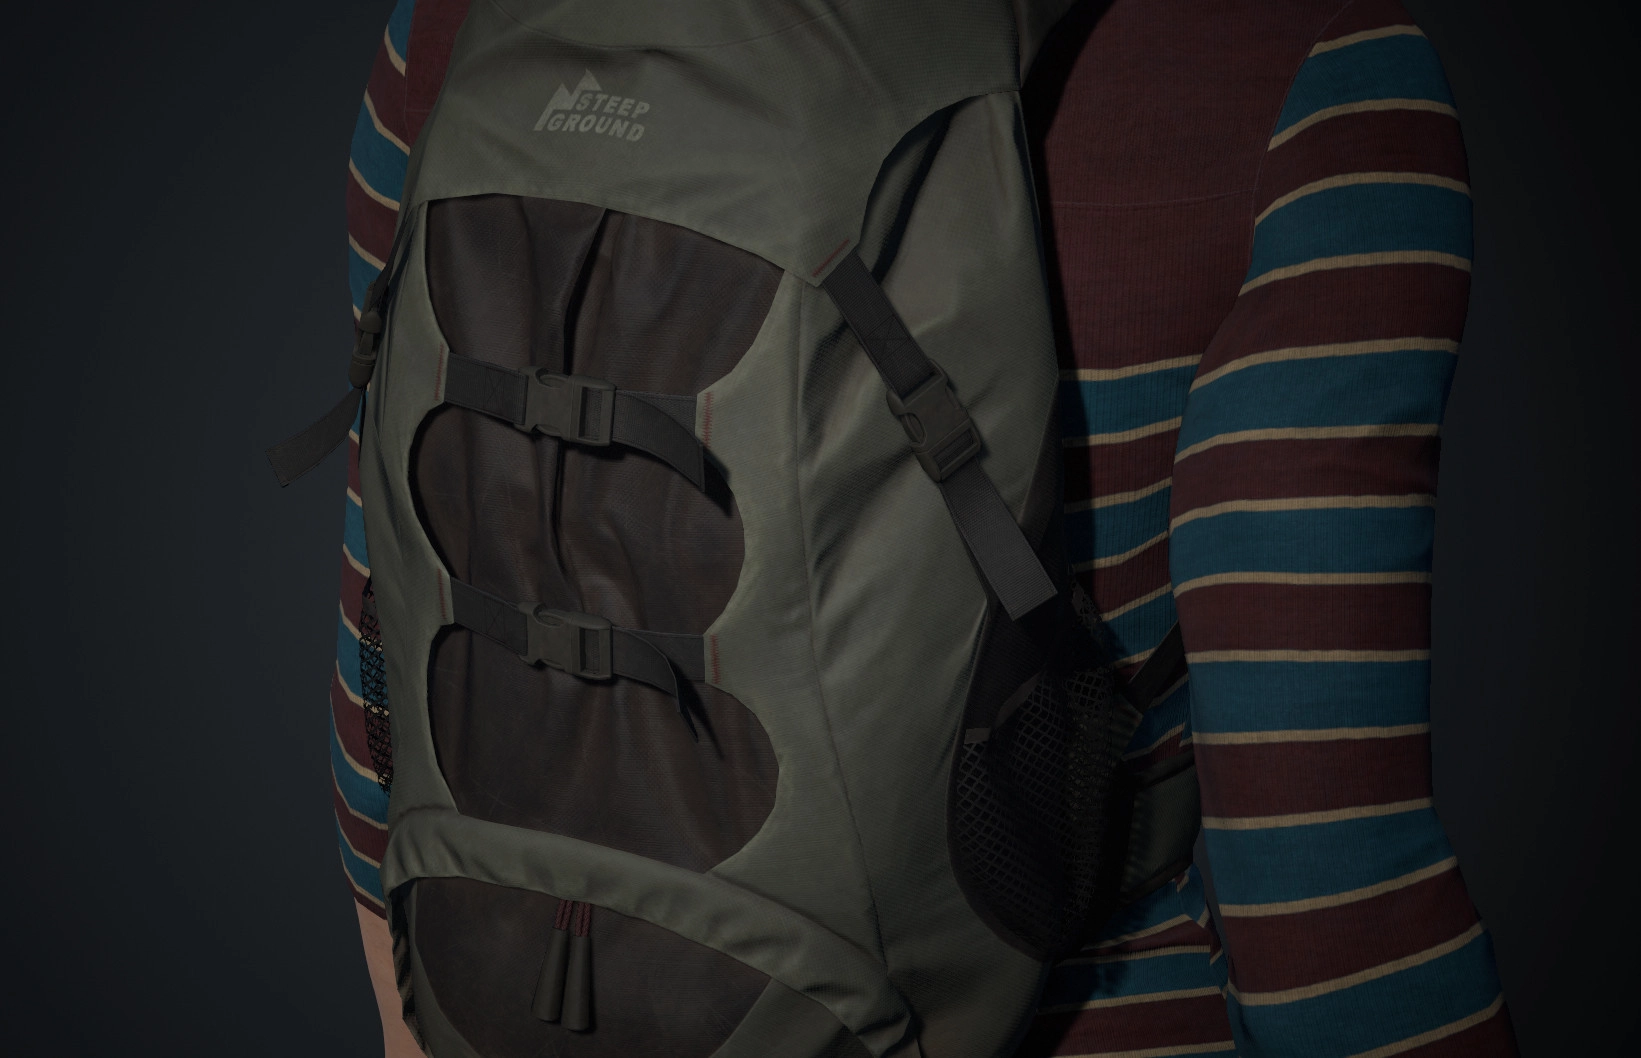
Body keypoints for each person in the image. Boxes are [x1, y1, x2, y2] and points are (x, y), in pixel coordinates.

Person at [327, 1, 1515, 1054]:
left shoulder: (456, 25)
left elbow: (384, 670)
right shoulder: (1301, 63)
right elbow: (1325, 901)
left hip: (493, 983)